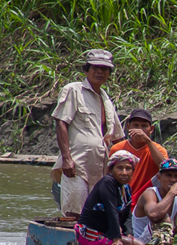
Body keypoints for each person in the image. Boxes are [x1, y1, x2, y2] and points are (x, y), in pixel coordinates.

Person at [51, 49, 124, 218]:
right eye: (95, 68)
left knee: (95, 214)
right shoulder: (73, 90)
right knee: (74, 210)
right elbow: (61, 122)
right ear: (86, 70)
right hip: (77, 164)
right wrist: (67, 158)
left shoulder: (106, 100)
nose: (100, 72)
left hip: (101, 167)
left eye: (104, 69)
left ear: (109, 74)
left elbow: (118, 138)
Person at [74, 150, 144, 245]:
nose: (124, 172)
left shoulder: (126, 188)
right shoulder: (108, 182)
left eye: (128, 169)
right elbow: (112, 211)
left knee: (136, 243)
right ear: (111, 170)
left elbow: (128, 215)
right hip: (89, 236)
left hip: (106, 233)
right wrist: (117, 239)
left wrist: (129, 234)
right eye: (120, 168)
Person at [132, 159, 177, 243]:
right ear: (159, 177)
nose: (173, 180)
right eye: (168, 175)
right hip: (139, 242)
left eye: (176, 176)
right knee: (164, 218)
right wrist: (171, 193)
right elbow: (154, 215)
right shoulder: (149, 193)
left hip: (161, 239)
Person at [109, 108, 167, 209]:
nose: (139, 130)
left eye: (144, 126)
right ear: (128, 127)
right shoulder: (117, 148)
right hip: (122, 200)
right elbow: (108, 176)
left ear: (151, 129)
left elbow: (165, 168)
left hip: (148, 201)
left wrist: (148, 141)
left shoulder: (158, 149)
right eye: (135, 125)